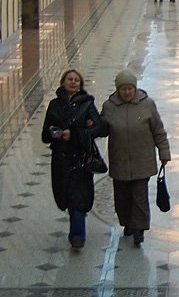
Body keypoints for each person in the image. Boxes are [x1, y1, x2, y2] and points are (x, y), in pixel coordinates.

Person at [100, 69, 171, 246]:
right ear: (118, 89)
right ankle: (127, 223)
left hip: (142, 160)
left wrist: (164, 151)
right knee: (122, 197)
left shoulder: (147, 105)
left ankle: (139, 230)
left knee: (140, 197)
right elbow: (102, 129)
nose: (127, 92)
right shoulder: (109, 107)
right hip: (120, 160)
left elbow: (158, 131)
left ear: (135, 88)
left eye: (130, 88)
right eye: (123, 89)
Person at [41, 69, 108, 249]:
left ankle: (77, 235)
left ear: (80, 85)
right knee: (65, 193)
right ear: (63, 82)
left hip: (81, 158)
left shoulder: (87, 104)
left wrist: (76, 133)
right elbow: (45, 133)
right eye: (70, 79)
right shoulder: (54, 104)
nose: (73, 82)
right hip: (61, 158)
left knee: (79, 195)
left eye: (76, 80)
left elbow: (99, 128)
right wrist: (53, 132)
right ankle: (76, 225)